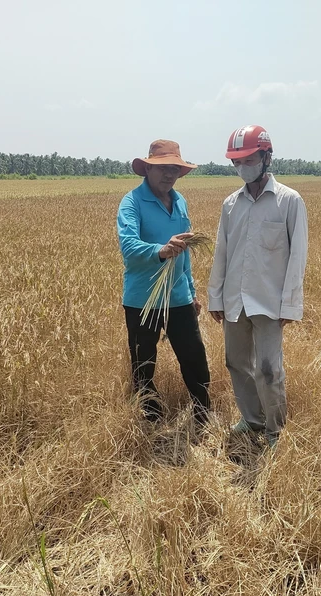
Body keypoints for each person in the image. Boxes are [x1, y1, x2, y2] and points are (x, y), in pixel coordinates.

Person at [207, 125, 308, 449]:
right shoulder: (230, 205)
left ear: (266, 157)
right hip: (235, 299)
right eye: (237, 162)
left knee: (268, 368)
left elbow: (298, 256)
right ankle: (251, 419)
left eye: (248, 159)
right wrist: (216, 297)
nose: (242, 167)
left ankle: (275, 431)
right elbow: (222, 252)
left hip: (269, 300)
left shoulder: (289, 201)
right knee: (236, 362)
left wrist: (291, 304)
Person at [116, 139, 211, 425]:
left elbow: (185, 252)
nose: (168, 174)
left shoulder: (180, 201)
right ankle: (150, 417)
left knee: (194, 356)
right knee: (143, 363)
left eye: (174, 169)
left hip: (178, 296)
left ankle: (203, 413)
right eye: (162, 168)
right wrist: (160, 250)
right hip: (142, 299)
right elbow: (128, 246)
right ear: (147, 169)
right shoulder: (132, 202)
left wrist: (192, 291)